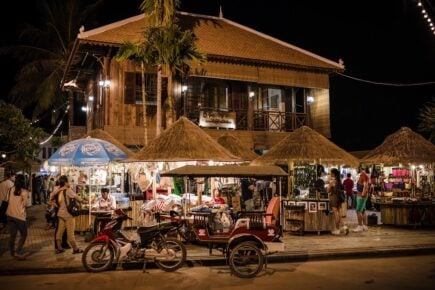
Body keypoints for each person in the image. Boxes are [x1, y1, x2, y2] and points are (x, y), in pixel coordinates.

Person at [51, 175, 84, 254]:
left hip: (60, 214)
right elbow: (78, 198)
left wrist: (58, 206)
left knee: (59, 232)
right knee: (70, 233)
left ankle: (59, 248)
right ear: (65, 182)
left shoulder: (59, 190)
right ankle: (75, 249)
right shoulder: (68, 190)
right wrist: (86, 201)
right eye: (68, 181)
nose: (69, 182)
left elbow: (51, 199)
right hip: (68, 215)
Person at [6, 174, 30, 260]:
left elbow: (7, 201)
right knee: (24, 234)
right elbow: (26, 204)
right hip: (19, 216)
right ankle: (17, 252)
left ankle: (12, 253)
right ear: (24, 181)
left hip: (9, 214)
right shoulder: (24, 191)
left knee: (12, 235)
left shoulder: (10, 189)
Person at [328, 168, 348, 235]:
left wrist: (329, 184)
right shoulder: (339, 181)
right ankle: (344, 226)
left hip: (333, 197)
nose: (330, 174)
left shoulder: (332, 181)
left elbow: (328, 190)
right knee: (339, 214)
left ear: (333, 174)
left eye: (331, 173)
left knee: (335, 213)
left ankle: (337, 229)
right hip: (339, 198)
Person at [353, 166, 370, 232]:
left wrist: (362, 195)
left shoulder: (363, 175)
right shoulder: (362, 175)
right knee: (363, 210)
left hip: (361, 196)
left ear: (360, 168)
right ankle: (365, 226)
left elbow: (365, 186)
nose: (356, 169)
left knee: (358, 211)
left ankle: (360, 226)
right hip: (361, 195)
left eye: (356, 168)